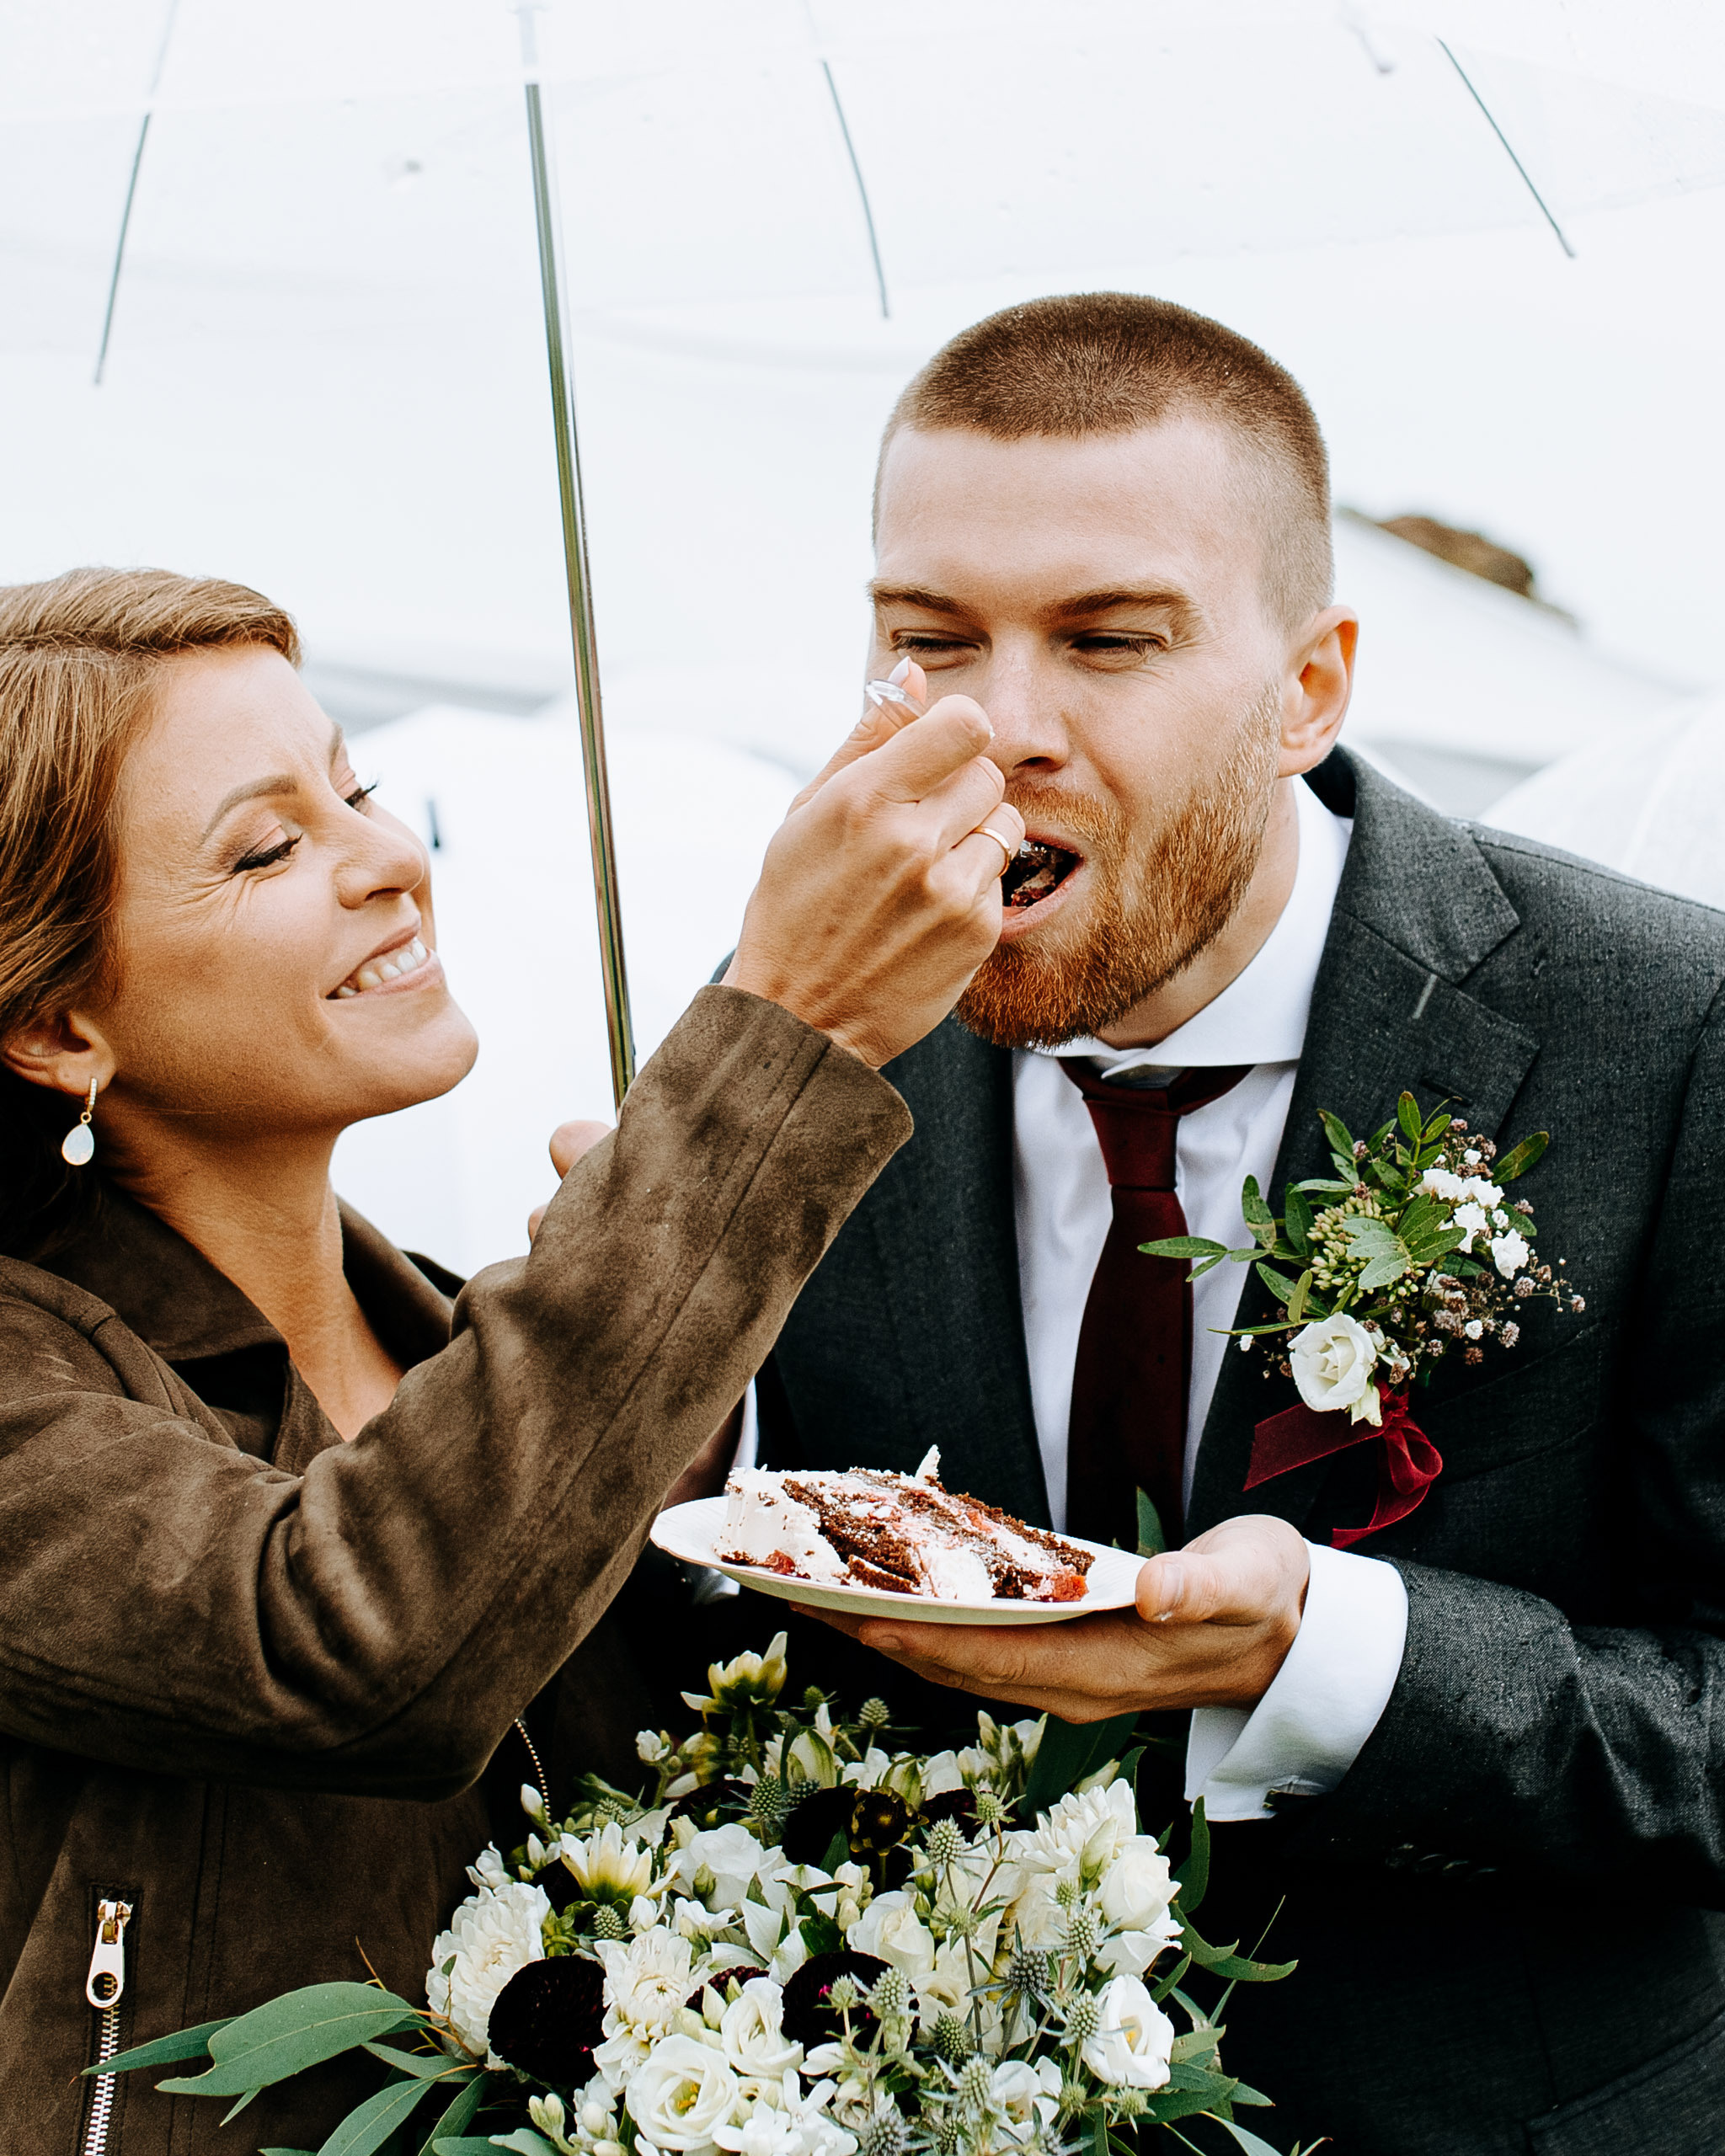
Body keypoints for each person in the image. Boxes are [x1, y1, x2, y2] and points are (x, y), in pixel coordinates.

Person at [737, 295, 1725, 2153]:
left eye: (1106, 640)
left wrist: (1335, 1655)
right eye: (926, 636)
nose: (995, 725)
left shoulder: (1667, 1032)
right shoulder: (794, 1017)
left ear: (1312, 687)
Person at [0, 566, 1025, 2155]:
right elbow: (353, 1640)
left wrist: (667, 1430)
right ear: (63, 1025)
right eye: (270, 845)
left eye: (359, 791)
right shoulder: (25, 1385)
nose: (392, 860)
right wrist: (782, 1024)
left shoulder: (479, 1333)